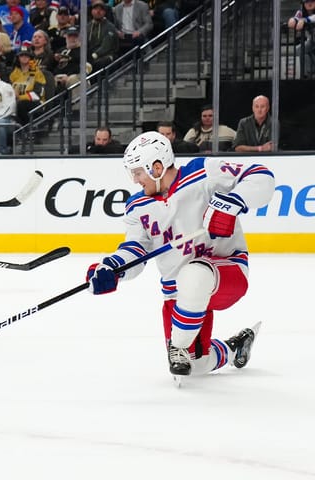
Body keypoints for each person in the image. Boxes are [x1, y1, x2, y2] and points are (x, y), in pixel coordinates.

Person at [85, 131, 275, 379]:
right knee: (195, 365)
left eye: (137, 172)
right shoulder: (136, 206)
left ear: (156, 167)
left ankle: (180, 343)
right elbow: (135, 249)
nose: (134, 180)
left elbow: (262, 177)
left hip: (226, 273)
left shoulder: (203, 173)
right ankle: (233, 347)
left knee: (194, 274)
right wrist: (111, 269)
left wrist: (230, 205)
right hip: (178, 296)